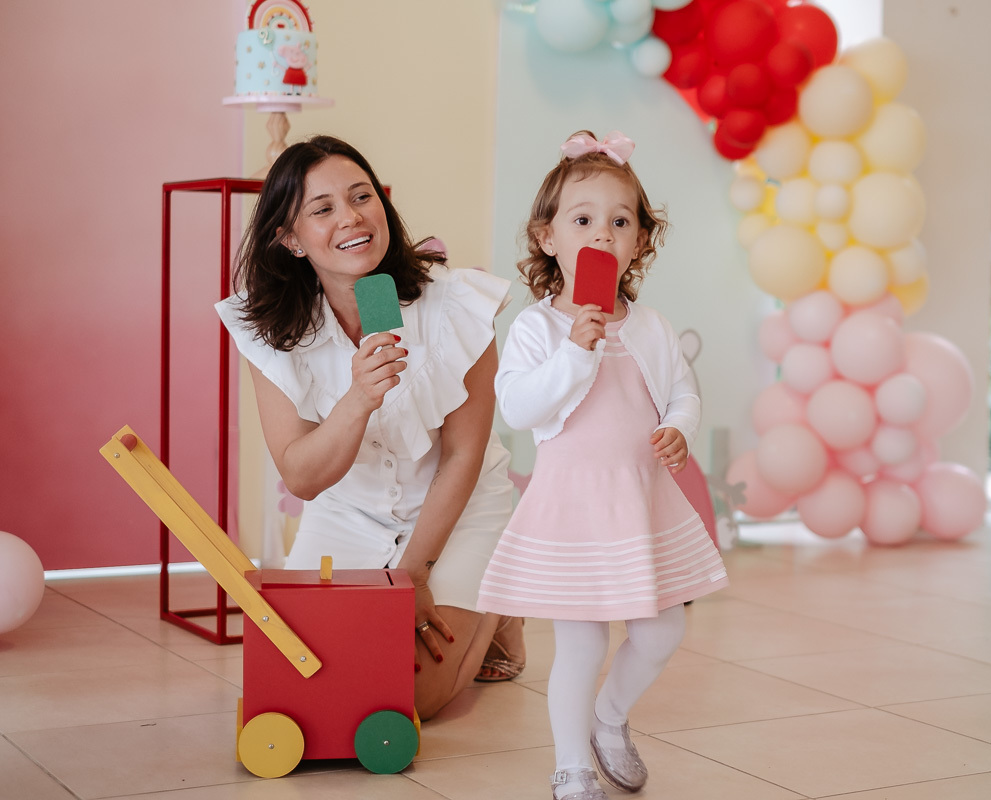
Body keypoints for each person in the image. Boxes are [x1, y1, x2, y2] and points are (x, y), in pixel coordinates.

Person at [215, 134, 524, 720]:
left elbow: (463, 456)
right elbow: (302, 478)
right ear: (289, 238)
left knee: (407, 698)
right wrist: (357, 398)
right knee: (301, 673)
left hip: (455, 513)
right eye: (323, 208)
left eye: (362, 197)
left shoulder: (457, 306)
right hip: (346, 513)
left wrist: (410, 577)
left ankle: (501, 609)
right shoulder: (271, 331)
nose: (352, 217)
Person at [477, 131, 729, 800]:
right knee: (581, 644)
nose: (602, 234)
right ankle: (571, 762)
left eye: (620, 222)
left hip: (641, 499)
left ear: (641, 241)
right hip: (574, 506)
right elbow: (521, 405)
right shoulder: (537, 328)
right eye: (582, 219)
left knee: (662, 627)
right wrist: (575, 352)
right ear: (547, 236)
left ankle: (608, 720)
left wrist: (677, 425)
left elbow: (682, 390)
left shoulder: (650, 326)